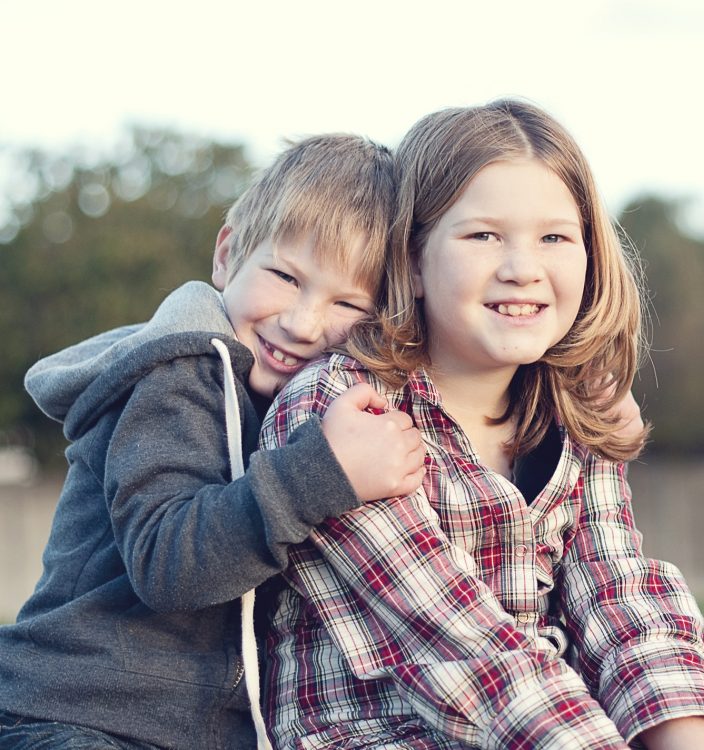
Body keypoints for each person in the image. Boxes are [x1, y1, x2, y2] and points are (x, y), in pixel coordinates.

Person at [259, 100, 704, 749]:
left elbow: (618, 599)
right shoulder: (343, 413)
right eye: (483, 236)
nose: (522, 267)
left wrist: (687, 737)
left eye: (554, 237)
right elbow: (462, 643)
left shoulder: (577, 407)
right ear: (412, 261)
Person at [0, 134, 426, 750]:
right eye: (285, 276)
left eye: (347, 304)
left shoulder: (310, 401)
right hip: (72, 711)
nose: (302, 322)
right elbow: (168, 564)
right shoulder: (177, 374)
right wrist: (319, 475)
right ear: (228, 254)